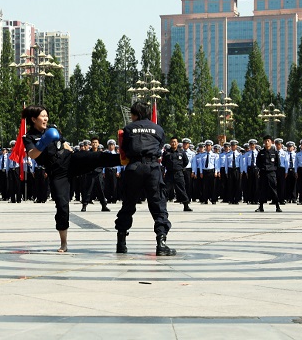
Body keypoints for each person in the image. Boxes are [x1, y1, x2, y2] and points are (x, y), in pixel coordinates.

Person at [22, 105, 121, 253]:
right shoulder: (29, 136)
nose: (46, 118)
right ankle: (64, 243)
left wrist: (68, 147)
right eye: (43, 116)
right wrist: (43, 142)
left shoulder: (52, 128)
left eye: (46, 115)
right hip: (56, 171)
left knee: (96, 157)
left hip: (69, 160)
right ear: (34, 119)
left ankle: (124, 159)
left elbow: (65, 143)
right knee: (62, 206)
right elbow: (32, 155)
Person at [114, 102, 175, 256]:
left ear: (136, 114)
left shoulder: (128, 129)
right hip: (153, 169)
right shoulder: (158, 129)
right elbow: (160, 147)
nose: (132, 117)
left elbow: (125, 149)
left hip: (134, 168)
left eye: (133, 114)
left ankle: (121, 242)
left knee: (128, 204)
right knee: (158, 205)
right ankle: (161, 243)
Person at [162, 136, 191, 211]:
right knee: (165, 190)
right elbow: (163, 162)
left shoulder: (181, 152)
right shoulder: (166, 152)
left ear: (177, 143)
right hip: (169, 174)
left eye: (175, 142)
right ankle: (162, 206)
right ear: (170, 143)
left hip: (179, 173)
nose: (173, 143)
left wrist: (179, 168)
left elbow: (186, 162)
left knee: (182, 189)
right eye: (172, 142)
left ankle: (186, 205)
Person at [255, 135, 280, 212]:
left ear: (271, 142)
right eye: (265, 141)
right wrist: (261, 169)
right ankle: (261, 206)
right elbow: (258, 163)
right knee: (262, 190)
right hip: (263, 173)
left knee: (273, 190)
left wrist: (273, 169)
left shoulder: (274, 152)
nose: (267, 142)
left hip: (271, 173)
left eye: (268, 141)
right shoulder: (261, 152)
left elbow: (277, 163)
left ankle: (277, 206)